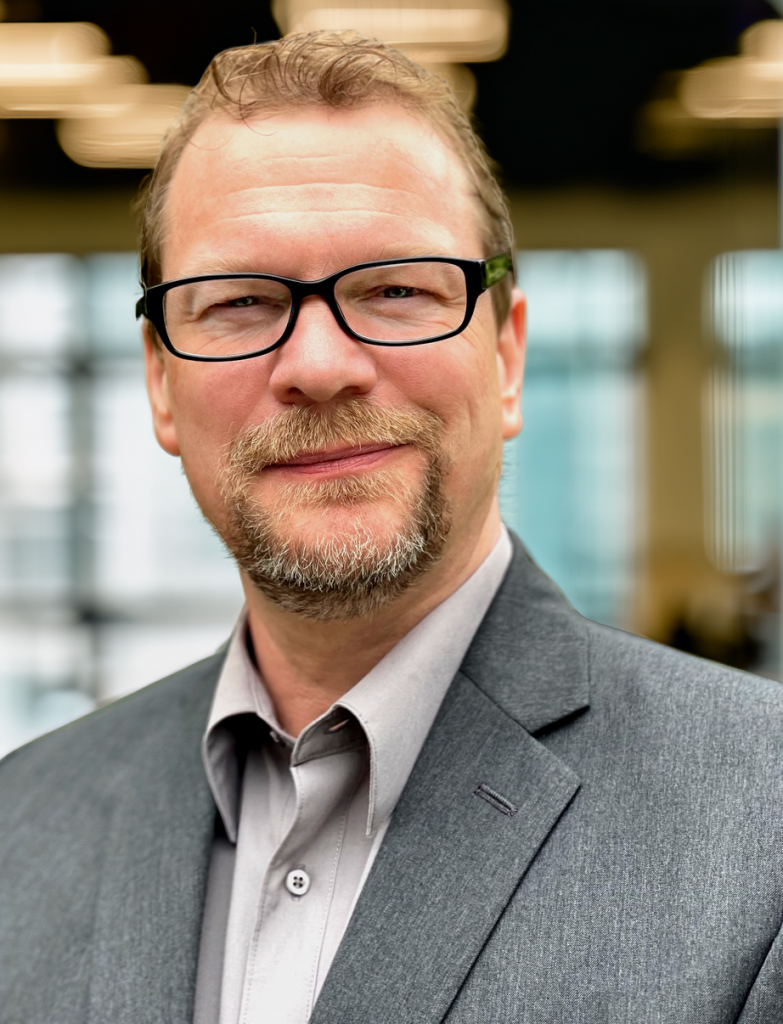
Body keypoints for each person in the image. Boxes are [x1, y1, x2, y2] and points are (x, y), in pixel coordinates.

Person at [2, 30, 783, 1024]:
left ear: (506, 353)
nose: (319, 365)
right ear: (161, 382)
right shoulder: (20, 829)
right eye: (240, 301)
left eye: (396, 289)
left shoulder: (763, 828)